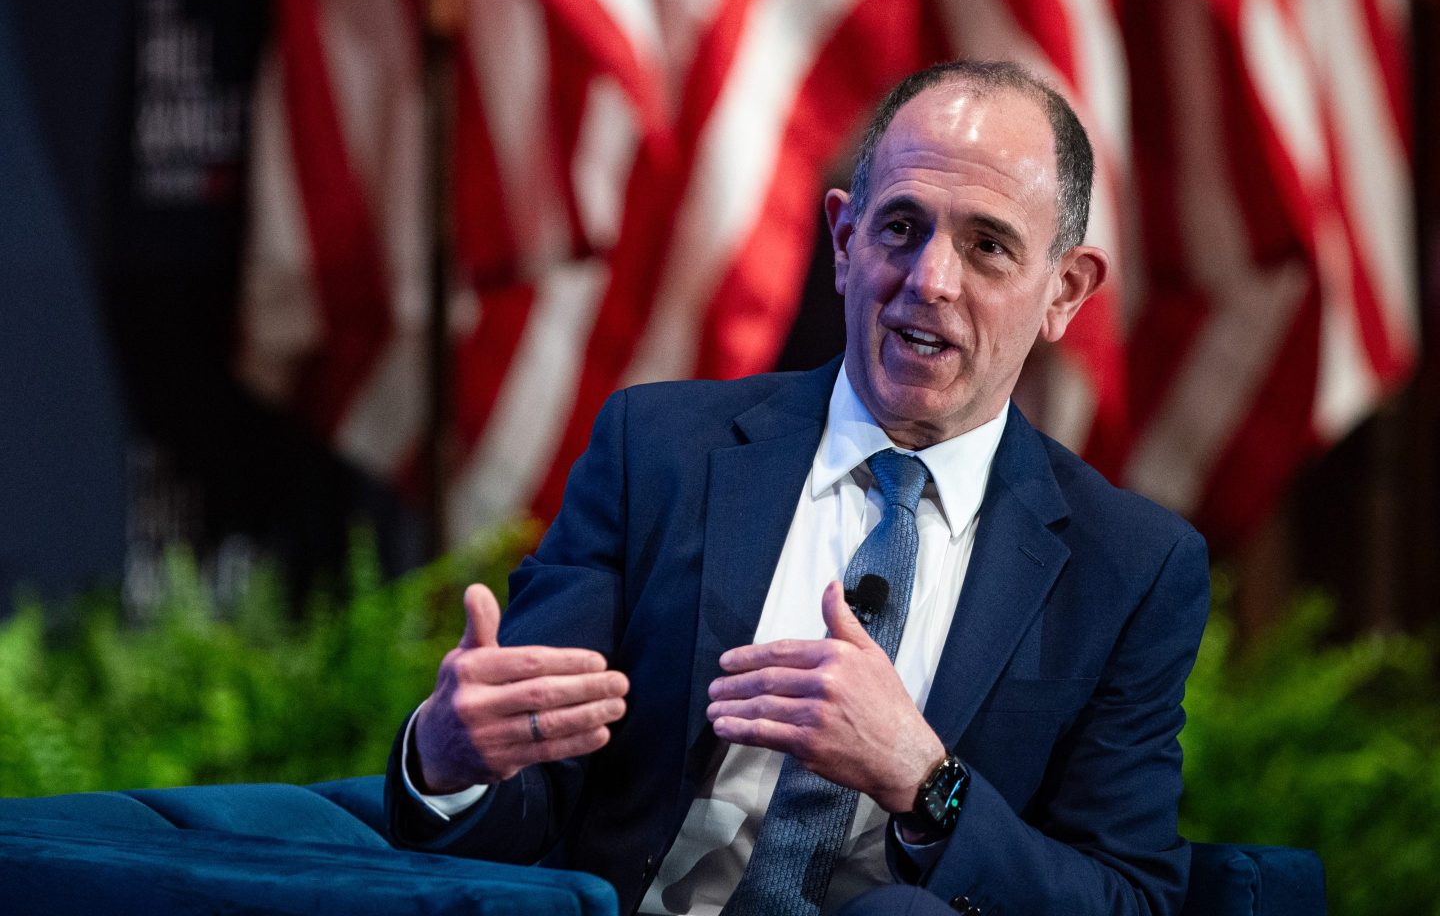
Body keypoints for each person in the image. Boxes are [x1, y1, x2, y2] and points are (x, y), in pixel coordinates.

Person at [385, 60, 1210, 916]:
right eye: (901, 227)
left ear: (1064, 292)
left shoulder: (1128, 569)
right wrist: (444, 761)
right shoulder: (657, 455)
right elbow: (527, 793)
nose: (930, 279)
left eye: (987, 247)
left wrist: (926, 780)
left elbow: (1126, 898)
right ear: (845, 242)